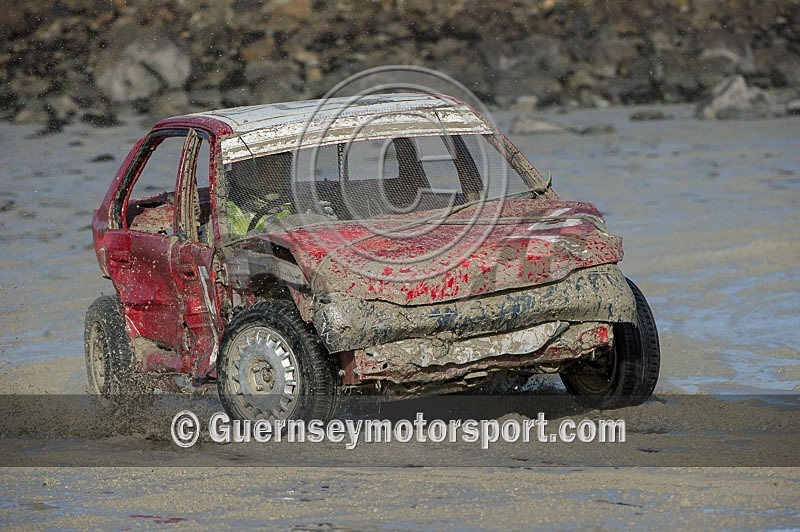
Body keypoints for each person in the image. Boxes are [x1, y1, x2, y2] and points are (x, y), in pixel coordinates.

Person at [226, 152, 293, 238]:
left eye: (280, 167)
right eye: (264, 166)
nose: (275, 173)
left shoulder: (301, 203)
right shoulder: (230, 211)